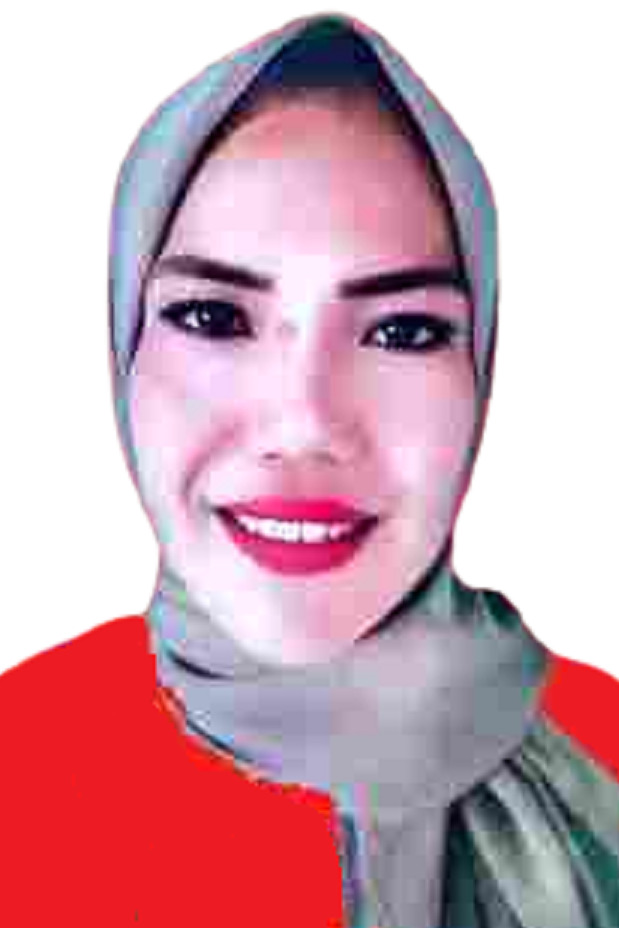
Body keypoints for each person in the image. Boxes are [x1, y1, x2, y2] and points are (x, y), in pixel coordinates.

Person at [1, 12, 619, 927]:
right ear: (121, 348)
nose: (304, 425)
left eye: (402, 330)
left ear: (481, 364)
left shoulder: (603, 752)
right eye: (213, 318)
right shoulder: (21, 773)